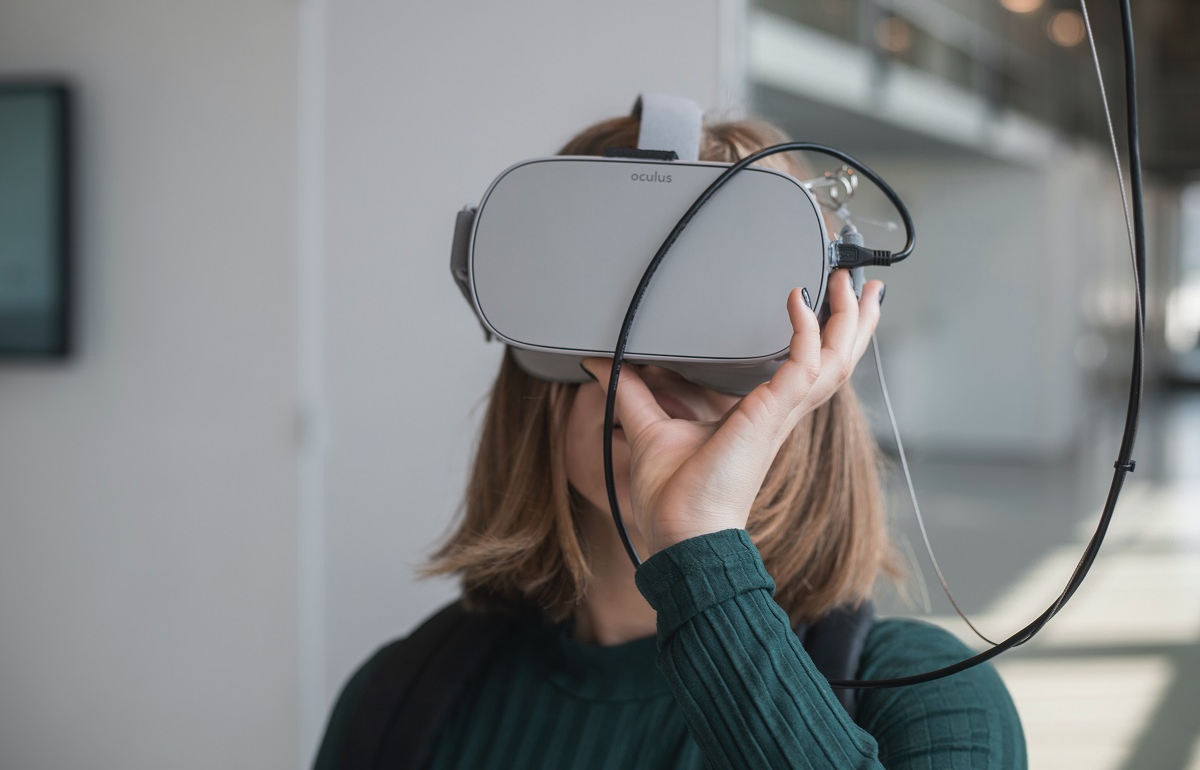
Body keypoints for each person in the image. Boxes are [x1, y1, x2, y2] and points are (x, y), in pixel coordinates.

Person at [314, 113, 1027, 769]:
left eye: (722, 319)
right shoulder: (401, 700)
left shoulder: (929, 700)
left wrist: (699, 544)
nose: (652, 370)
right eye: (612, 306)